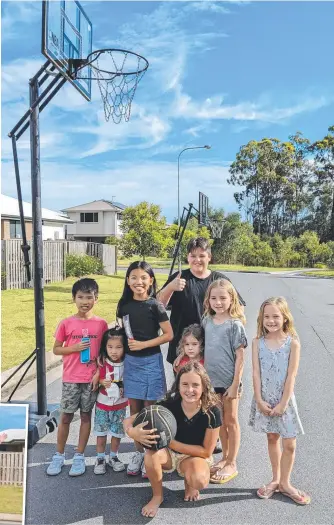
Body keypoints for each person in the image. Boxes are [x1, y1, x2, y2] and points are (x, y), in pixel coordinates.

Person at [123, 362, 222, 518]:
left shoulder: (212, 411)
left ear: (204, 386)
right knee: (151, 454)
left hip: (195, 456)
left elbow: (206, 451)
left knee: (199, 481)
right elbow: (129, 420)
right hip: (169, 454)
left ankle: (190, 481)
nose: (190, 390)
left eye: (195, 385)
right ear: (178, 385)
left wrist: (170, 442)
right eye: (185, 384)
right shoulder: (169, 404)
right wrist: (132, 432)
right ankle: (157, 496)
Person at [249, 297, 310, 505]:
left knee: (290, 443)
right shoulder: (257, 343)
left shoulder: (292, 343)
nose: (271, 320)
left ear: (285, 318)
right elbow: (256, 373)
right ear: (261, 318)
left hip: (285, 401)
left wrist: (284, 403)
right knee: (272, 438)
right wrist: (258, 399)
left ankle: (286, 482)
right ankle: (275, 480)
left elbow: (292, 376)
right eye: (267, 316)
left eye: (276, 316)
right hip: (265, 399)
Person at [116, 261, 173, 478]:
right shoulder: (123, 305)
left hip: (151, 362)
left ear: (150, 281)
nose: (138, 282)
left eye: (143, 278)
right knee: (134, 410)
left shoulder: (155, 305)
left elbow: (168, 335)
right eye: (133, 278)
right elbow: (123, 332)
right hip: (131, 363)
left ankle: (152, 454)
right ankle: (138, 453)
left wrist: (143, 344)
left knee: (150, 412)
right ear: (128, 280)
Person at [47, 278, 108, 477]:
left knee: (85, 416)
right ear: (74, 298)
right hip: (71, 378)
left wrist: (99, 373)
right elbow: (56, 349)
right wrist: (73, 348)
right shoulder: (66, 323)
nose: (84, 301)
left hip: (91, 379)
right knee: (65, 416)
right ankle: (59, 455)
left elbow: (104, 354)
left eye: (89, 297)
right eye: (80, 297)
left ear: (96, 299)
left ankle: (79, 456)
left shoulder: (101, 324)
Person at [157, 237, 246, 367]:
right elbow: (158, 306)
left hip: (212, 347)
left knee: (210, 386)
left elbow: (239, 306)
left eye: (202, 256)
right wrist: (170, 287)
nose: (197, 260)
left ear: (209, 257)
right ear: (188, 258)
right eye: (193, 256)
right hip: (183, 347)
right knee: (184, 386)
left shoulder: (219, 280)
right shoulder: (178, 278)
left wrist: (227, 328)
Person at [200, 279, 247, 484]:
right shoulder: (207, 321)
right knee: (219, 423)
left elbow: (240, 357)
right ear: (208, 300)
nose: (218, 302)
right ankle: (224, 457)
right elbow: (201, 347)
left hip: (229, 382)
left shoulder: (234, 325)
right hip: (211, 382)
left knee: (231, 421)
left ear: (231, 299)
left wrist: (236, 383)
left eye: (223, 298)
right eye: (214, 298)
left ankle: (232, 462)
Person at [93, 327, 128, 475]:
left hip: (120, 405)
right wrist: (101, 381)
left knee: (117, 433)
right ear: (105, 347)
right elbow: (98, 379)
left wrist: (124, 387)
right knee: (101, 433)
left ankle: (113, 456)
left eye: (119, 347)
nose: (114, 351)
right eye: (110, 347)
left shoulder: (128, 363)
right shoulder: (102, 362)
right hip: (102, 404)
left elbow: (130, 380)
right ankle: (100, 458)